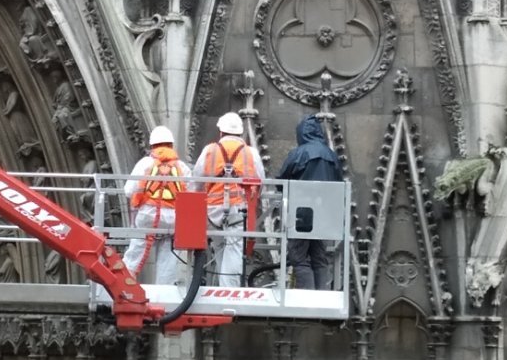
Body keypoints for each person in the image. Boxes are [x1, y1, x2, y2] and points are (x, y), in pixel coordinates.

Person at [194, 112, 264, 287]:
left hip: (212, 209)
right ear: (241, 133)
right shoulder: (250, 153)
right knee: (234, 248)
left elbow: (196, 180)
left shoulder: (209, 150)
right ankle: (228, 291)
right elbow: (260, 180)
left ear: (221, 132)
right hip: (237, 209)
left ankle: (220, 287)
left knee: (218, 247)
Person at [278, 114, 343, 290]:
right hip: (324, 214)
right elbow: (339, 182)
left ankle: (307, 296)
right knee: (319, 257)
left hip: (302, 212)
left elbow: (282, 180)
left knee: (299, 257)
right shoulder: (331, 155)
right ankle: (321, 295)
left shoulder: (300, 152)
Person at [122, 126, 191, 285]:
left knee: (137, 250)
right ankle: (164, 292)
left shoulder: (145, 163)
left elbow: (128, 191)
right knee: (168, 258)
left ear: (152, 145)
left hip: (148, 216)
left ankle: (125, 282)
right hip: (173, 219)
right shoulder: (182, 167)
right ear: (171, 145)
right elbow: (191, 194)